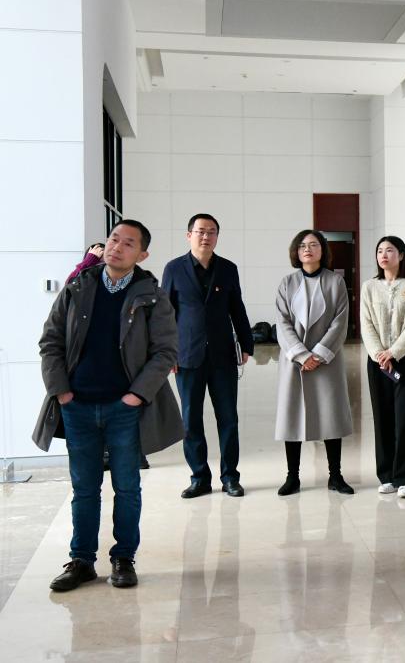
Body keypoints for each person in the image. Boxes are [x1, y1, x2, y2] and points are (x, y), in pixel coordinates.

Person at [33, 220, 184, 591]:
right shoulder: (78, 286)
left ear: (142, 255)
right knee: (84, 489)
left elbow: (165, 351)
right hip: (78, 405)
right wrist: (61, 391)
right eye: (114, 239)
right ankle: (82, 561)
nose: (117, 246)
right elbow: (50, 341)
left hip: (125, 409)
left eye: (128, 243)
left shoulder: (151, 295)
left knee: (127, 487)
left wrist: (136, 396)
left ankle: (123, 558)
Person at [161, 214, 254, 499]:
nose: (206, 236)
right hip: (186, 356)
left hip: (222, 355)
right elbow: (165, 314)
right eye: (200, 231)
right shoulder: (174, 268)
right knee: (191, 421)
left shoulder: (228, 268)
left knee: (228, 419)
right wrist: (166, 352)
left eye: (211, 232)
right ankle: (199, 478)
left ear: (217, 237)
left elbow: (237, 307)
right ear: (189, 235)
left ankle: (230, 477)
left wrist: (246, 343)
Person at [274, 230, 355, 495]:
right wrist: (302, 355)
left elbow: (340, 323)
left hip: (326, 362)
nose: (307, 249)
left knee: (331, 417)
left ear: (322, 250)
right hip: (295, 363)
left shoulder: (335, 282)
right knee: (292, 417)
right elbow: (282, 323)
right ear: (296, 252)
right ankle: (292, 477)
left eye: (313, 245)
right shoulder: (287, 283)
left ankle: (335, 476)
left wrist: (317, 355)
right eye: (302, 246)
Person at [65, 243, 150, 470]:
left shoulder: (136, 286)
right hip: (88, 377)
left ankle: (136, 455)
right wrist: (89, 262)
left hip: (125, 371)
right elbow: (71, 285)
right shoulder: (83, 286)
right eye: (101, 259)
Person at [360, 236, 405, 499]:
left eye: (389, 250)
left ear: (401, 254)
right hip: (377, 362)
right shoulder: (369, 286)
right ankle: (386, 476)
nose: (383, 255)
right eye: (379, 251)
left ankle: (404, 478)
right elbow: (366, 322)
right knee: (382, 418)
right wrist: (379, 353)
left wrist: (394, 352)